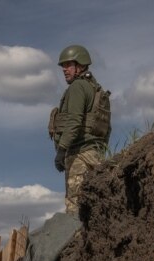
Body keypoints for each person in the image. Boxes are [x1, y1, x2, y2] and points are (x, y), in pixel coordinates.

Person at [49, 44, 111, 216]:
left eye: (69, 65)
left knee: (74, 209)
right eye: (63, 66)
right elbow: (106, 127)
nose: (64, 69)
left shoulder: (78, 87)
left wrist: (61, 151)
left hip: (79, 155)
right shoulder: (96, 89)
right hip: (95, 155)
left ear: (81, 65)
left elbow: (74, 121)